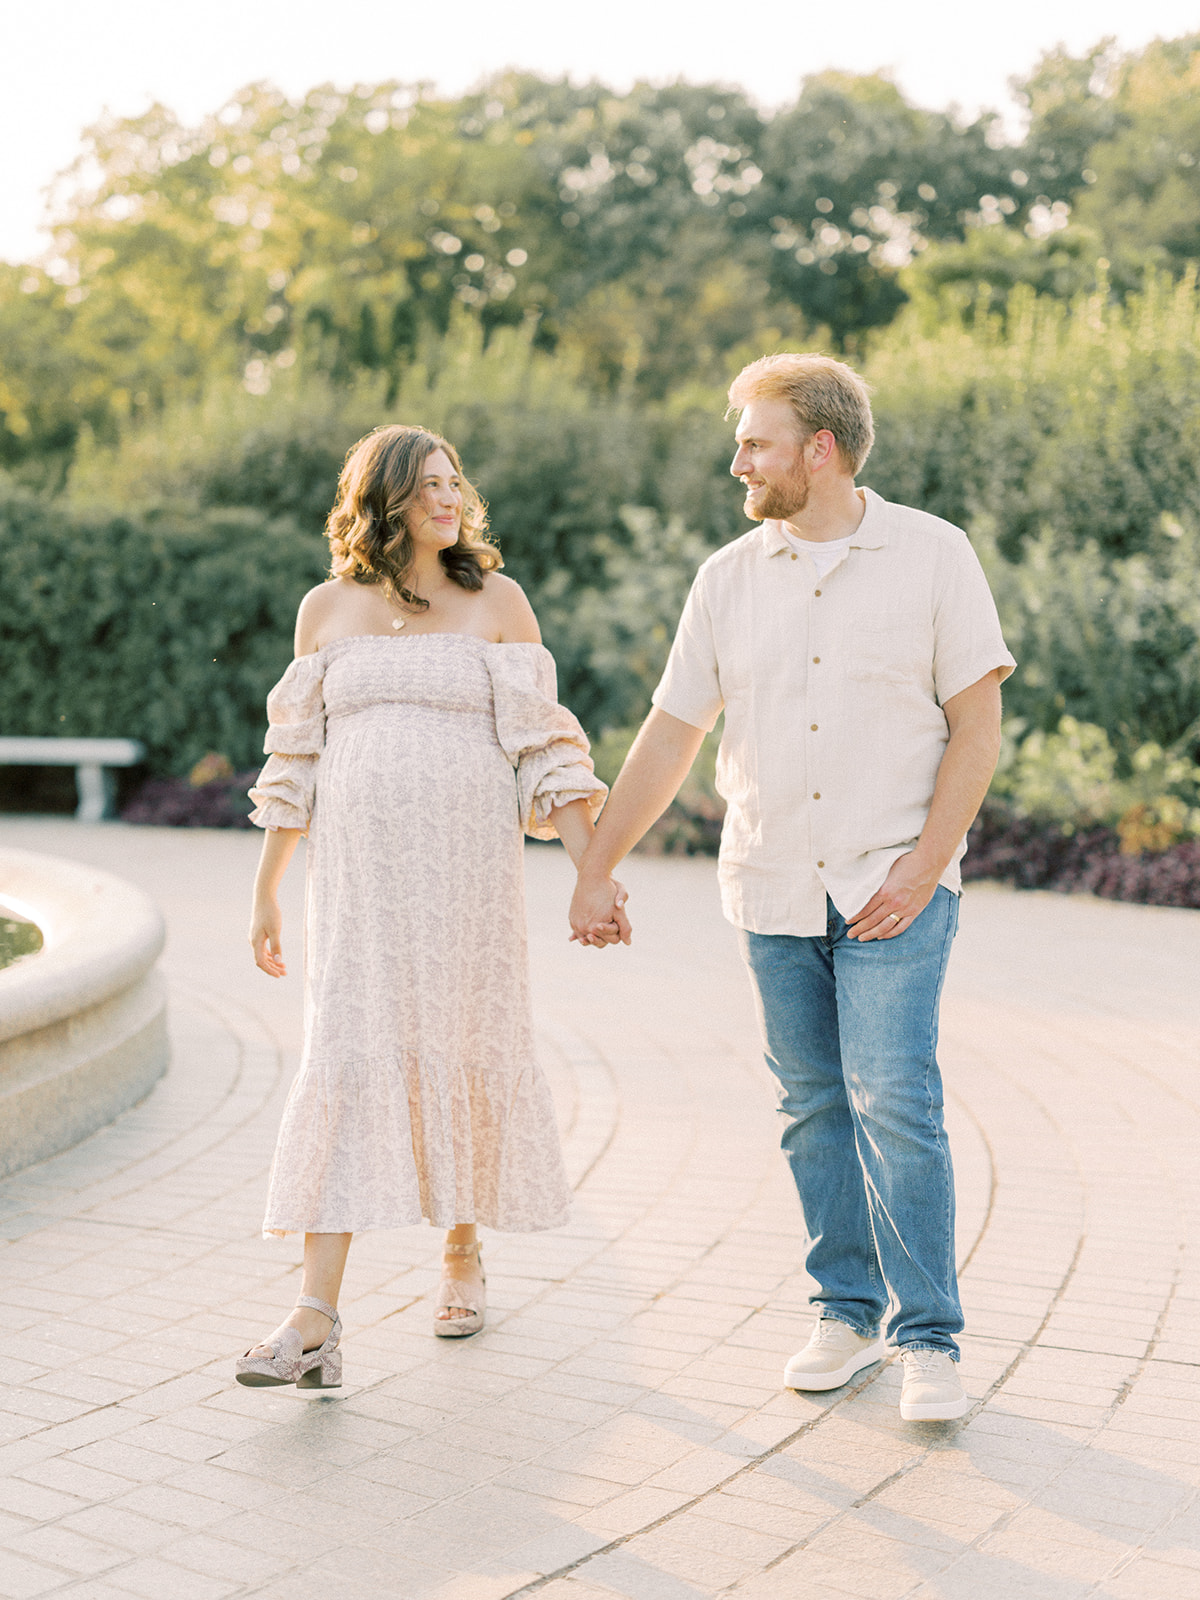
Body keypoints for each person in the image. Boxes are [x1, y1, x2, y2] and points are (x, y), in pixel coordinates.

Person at [569, 354, 1015, 1423]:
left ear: (820, 448)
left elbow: (977, 729)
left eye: (755, 441)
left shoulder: (933, 556)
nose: (738, 461)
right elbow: (674, 733)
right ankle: (846, 1313)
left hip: (891, 882)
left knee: (895, 1101)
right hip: (770, 885)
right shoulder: (729, 576)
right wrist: (597, 863)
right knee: (813, 1104)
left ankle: (928, 1338)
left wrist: (922, 865)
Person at [236, 424, 623, 1389]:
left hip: (466, 883)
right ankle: (315, 1320)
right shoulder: (326, 609)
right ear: (385, 501)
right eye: (427, 487)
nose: (449, 501)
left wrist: (590, 869)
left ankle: (460, 1254)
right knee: (351, 1055)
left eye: (455, 484)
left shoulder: (497, 601)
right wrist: (267, 893)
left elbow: (546, 749)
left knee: (454, 1043)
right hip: (360, 889)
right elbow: (296, 761)